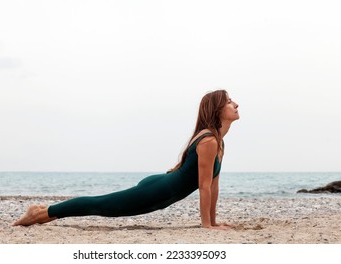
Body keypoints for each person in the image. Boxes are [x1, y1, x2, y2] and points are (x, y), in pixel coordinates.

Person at [13, 89, 239, 229]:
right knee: (101, 205)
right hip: (156, 191)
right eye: (229, 102)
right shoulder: (208, 141)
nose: (235, 104)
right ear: (217, 110)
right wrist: (207, 226)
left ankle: (45, 212)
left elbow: (213, 185)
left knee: (104, 206)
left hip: (162, 190)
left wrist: (213, 222)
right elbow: (204, 187)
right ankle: (41, 212)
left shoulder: (218, 143)